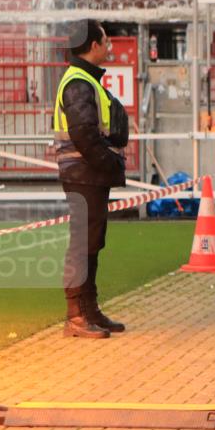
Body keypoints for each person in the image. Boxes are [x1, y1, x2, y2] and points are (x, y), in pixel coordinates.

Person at [53, 20, 128, 338]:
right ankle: (76, 316)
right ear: (93, 46)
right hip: (84, 173)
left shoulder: (84, 79)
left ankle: (89, 310)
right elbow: (83, 134)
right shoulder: (79, 83)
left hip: (88, 174)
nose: (110, 47)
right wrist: (110, 162)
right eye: (106, 41)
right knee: (82, 244)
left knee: (91, 243)